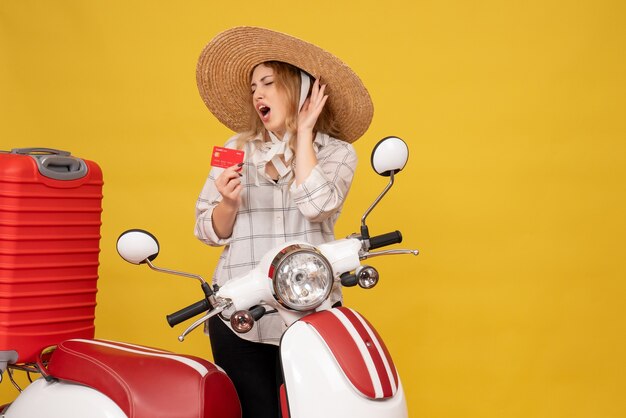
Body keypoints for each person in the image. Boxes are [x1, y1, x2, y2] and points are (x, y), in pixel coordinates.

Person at [193, 26, 373, 418]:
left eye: (269, 82)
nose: (257, 93)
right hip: (239, 312)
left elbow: (317, 206)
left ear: (302, 90)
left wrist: (304, 133)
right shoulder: (234, 149)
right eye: (254, 86)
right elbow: (206, 230)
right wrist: (227, 201)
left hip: (310, 312)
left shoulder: (338, 153)